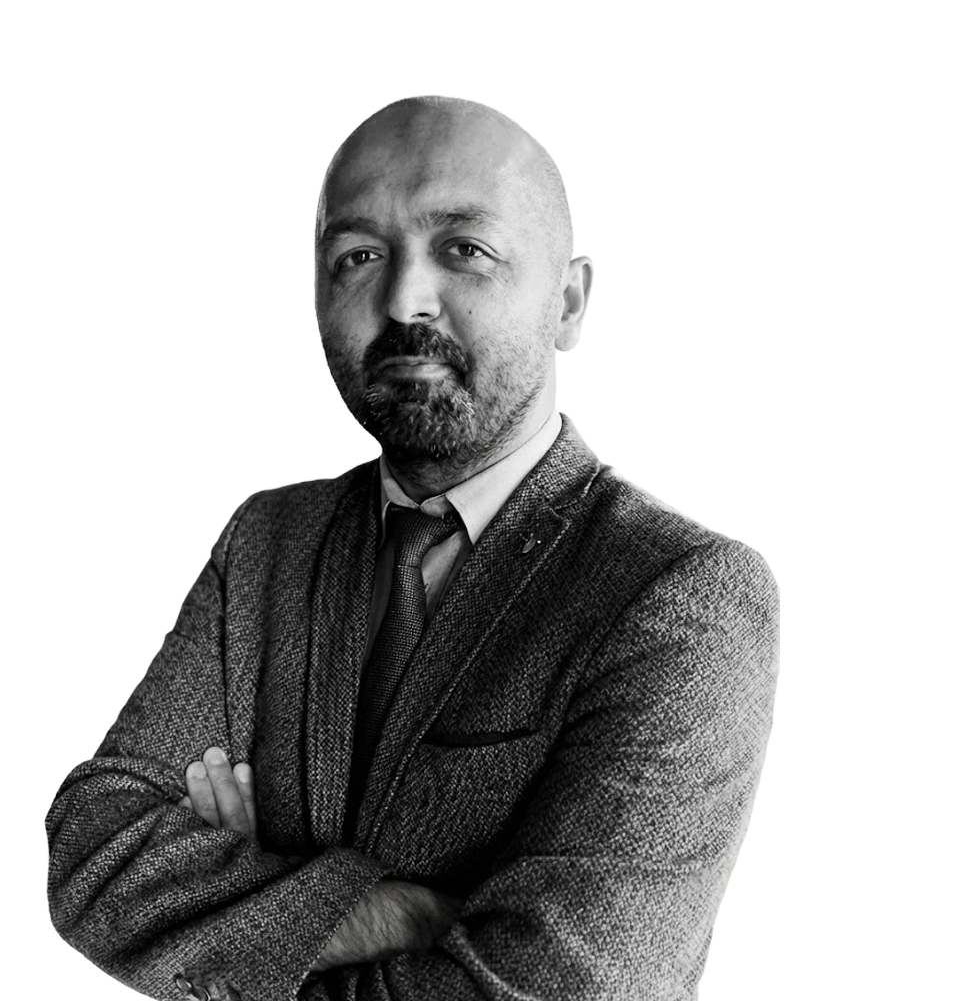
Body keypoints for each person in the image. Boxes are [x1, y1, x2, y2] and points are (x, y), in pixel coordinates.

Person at [46, 95, 779, 1001]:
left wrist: (232, 932)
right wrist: (397, 913)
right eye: (358, 256)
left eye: (464, 248)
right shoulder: (268, 543)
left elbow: (559, 990)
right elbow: (93, 849)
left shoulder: (681, 594)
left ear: (569, 301)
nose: (402, 299)